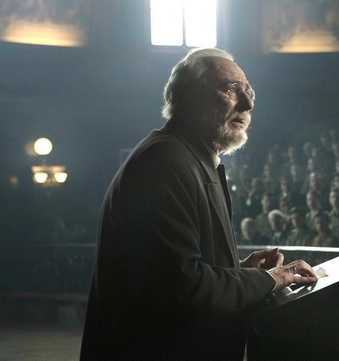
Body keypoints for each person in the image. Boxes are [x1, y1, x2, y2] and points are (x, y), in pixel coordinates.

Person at [80, 48, 317, 360]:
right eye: (231, 89)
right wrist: (271, 279)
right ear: (190, 96)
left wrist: (241, 271)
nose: (247, 104)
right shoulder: (164, 162)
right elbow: (180, 287)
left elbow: (173, 271)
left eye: (248, 91)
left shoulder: (188, 157)